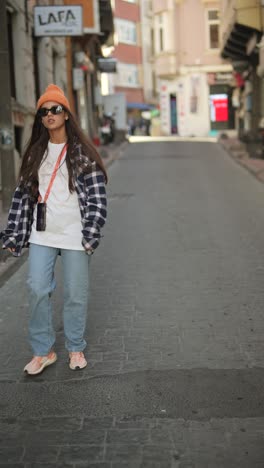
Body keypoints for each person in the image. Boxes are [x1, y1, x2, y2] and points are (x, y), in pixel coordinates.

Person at [0, 84, 107, 375]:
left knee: (75, 294)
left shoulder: (83, 153)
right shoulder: (35, 153)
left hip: (75, 235)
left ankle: (75, 347)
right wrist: (14, 234)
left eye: (55, 109)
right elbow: (21, 199)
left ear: (66, 115)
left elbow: (97, 200)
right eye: (44, 111)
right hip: (41, 234)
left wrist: (91, 234)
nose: (49, 114)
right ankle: (43, 351)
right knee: (36, 288)